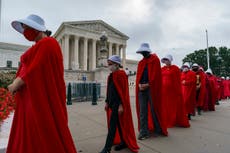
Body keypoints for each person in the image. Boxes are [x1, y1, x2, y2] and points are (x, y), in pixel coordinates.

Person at [7, 14, 77, 153]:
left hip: (39, 101)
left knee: (41, 135)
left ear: (36, 28)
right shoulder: (39, 46)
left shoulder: (49, 43)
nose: (25, 32)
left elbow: (36, 68)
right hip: (32, 99)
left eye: (26, 27)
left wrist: (17, 82)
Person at [100, 55, 139, 153]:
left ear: (117, 65)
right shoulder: (111, 76)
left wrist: (121, 105)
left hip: (118, 104)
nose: (109, 66)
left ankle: (107, 148)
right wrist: (106, 102)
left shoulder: (121, 75)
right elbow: (109, 90)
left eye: (111, 64)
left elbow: (123, 92)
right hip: (112, 104)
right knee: (118, 124)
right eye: (108, 64)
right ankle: (124, 142)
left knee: (113, 126)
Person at [135, 43, 168, 140]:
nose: (143, 53)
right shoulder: (141, 63)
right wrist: (139, 85)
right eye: (142, 52)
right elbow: (138, 76)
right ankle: (143, 131)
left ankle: (158, 128)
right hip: (142, 89)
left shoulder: (155, 60)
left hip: (151, 88)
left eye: (144, 52)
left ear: (148, 51)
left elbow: (156, 76)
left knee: (154, 109)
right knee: (142, 111)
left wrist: (148, 84)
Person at [161, 55, 190, 128]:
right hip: (164, 91)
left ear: (170, 60)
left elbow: (177, 81)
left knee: (171, 106)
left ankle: (172, 119)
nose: (166, 61)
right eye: (165, 60)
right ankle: (165, 119)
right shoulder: (162, 69)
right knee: (165, 106)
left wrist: (177, 91)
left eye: (167, 59)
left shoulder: (175, 68)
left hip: (172, 92)